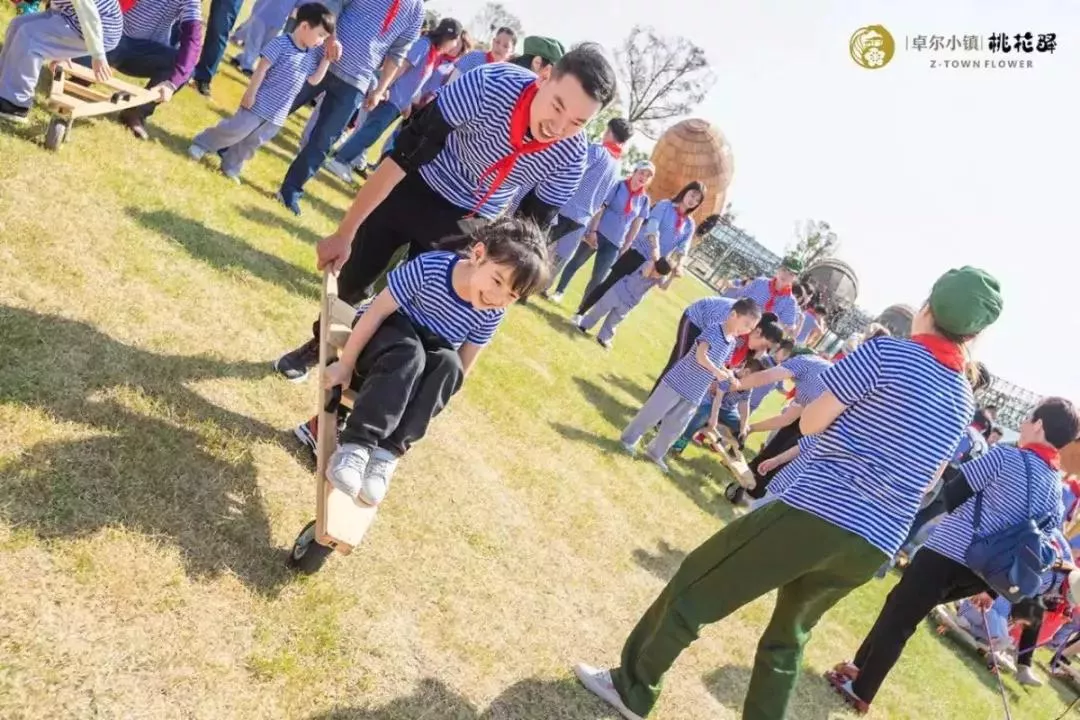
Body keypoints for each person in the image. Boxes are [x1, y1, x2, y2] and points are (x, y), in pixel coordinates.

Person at [572, 266, 1003, 720]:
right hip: (876, 541)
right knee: (786, 640)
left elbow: (812, 421)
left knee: (699, 581)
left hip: (823, 510)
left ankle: (633, 687)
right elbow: (931, 479)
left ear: (927, 308)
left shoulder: (886, 353)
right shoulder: (963, 396)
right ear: (973, 334)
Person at [273, 44, 617, 382]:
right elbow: (403, 156)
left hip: (472, 219)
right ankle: (320, 345)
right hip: (417, 182)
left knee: (420, 308)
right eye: (557, 106)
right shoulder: (488, 84)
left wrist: (498, 287)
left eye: (577, 122)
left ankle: (370, 384)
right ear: (545, 76)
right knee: (354, 279)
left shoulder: (571, 158)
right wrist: (345, 232)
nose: (558, 127)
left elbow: (529, 234)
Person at [827, 395, 1080, 714]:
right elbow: (1040, 543)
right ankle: (857, 668)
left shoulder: (1005, 456)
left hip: (949, 552)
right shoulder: (1056, 489)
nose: (1024, 422)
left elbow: (953, 494)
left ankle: (862, 690)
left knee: (900, 617)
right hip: (984, 573)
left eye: (1029, 417)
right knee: (899, 606)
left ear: (1039, 424)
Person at [316, 218, 549, 504]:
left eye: (512, 294)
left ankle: (385, 454)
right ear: (478, 255)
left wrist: (428, 398)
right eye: (497, 280)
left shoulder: (493, 312)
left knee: (449, 366)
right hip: (385, 337)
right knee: (409, 353)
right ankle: (355, 447)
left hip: (423, 357)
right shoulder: (432, 268)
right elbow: (376, 312)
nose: (497, 297)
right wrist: (345, 365)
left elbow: (462, 366)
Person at [274, 0, 425, 216]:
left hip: (357, 82)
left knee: (324, 141)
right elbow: (334, 4)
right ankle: (230, 146)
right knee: (278, 104)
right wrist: (331, 39)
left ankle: (290, 191)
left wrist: (380, 89)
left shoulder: (416, 10)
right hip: (321, 58)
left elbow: (397, 53)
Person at [188, 5, 337, 180]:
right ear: (304, 26)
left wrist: (326, 61)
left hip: (277, 114)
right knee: (235, 130)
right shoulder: (281, 43)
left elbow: (313, 80)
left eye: (325, 38)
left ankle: (231, 165)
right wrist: (250, 93)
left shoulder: (310, 56)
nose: (321, 41)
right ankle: (203, 144)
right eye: (321, 35)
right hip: (259, 103)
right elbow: (261, 70)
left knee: (252, 143)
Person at [619, 298, 761, 472]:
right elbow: (701, 356)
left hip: (695, 393)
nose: (747, 331)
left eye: (751, 328)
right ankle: (628, 440)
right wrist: (717, 372)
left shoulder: (731, 343)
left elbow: (721, 364)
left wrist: (729, 374)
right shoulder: (713, 330)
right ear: (733, 315)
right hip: (677, 383)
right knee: (652, 414)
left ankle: (655, 453)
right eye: (746, 324)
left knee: (675, 427)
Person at [323, 18, 465, 184]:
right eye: (455, 41)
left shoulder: (433, 53)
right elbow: (401, 67)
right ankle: (339, 161)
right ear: (448, 37)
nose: (454, 45)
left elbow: (416, 80)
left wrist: (407, 103)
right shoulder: (423, 45)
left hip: (398, 103)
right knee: (370, 132)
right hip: (390, 97)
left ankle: (342, 159)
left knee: (371, 133)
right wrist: (384, 88)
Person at [69, 0, 204, 139]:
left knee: (185, 68)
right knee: (86, 44)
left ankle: (136, 112)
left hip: (146, 52)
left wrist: (172, 84)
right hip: (111, 36)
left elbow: (193, 38)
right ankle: (78, 79)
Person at [573, 182, 704, 322]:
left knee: (628, 297)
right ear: (685, 192)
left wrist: (679, 264)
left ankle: (601, 328)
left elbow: (683, 247)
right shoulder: (665, 205)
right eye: (692, 195)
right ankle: (581, 313)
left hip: (653, 266)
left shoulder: (689, 225)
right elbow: (653, 226)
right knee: (609, 283)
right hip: (637, 253)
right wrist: (655, 249)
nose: (693, 201)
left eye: (697, 200)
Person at [726, 349, 834, 501]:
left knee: (784, 457)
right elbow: (786, 419)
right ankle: (750, 480)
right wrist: (750, 429)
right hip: (815, 419)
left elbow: (766, 376)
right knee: (778, 444)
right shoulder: (811, 379)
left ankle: (755, 489)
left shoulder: (803, 361)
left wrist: (732, 386)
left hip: (828, 427)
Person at [546, 160, 654, 305]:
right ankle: (559, 291)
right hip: (598, 233)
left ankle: (582, 309)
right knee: (576, 262)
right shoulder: (618, 185)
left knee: (599, 277)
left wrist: (627, 245)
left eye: (648, 176)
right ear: (634, 172)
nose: (644, 177)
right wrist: (593, 230)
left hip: (615, 243)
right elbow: (601, 208)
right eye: (642, 173)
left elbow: (636, 225)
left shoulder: (644, 201)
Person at [0, 0, 121, 123]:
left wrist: (98, 55)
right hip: (70, 16)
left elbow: (89, 15)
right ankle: (3, 86)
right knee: (18, 24)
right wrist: (61, 47)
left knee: (30, 36)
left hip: (100, 30)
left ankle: (15, 105)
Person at [650, 300, 784, 397]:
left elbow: (723, 359)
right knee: (680, 360)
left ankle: (670, 404)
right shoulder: (735, 323)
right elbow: (714, 340)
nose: (761, 351)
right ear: (758, 332)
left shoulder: (744, 332)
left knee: (694, 369)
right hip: (697, 319)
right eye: (764, 346)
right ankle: (655, 401)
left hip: (709, 330)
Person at [575, 257, 673, 350]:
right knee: (600, 308)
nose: (657, 276)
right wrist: (655, 266)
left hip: (631, 300)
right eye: (657, 272)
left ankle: (603, 338)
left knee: (615, 320)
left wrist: (672, 276)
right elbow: (646, 274)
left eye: (660, 275)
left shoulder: (661, 276)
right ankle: (584, 325)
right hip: (620, 290)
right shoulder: (648, 264)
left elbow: (664, 287)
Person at [728, 256, 803, 333]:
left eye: (791, 274)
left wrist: (773, 321)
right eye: (784, 270)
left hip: (760, 335)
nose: (785, 275)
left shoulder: (790, 302)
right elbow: (739, 296)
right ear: (778, 269)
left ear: (795, 278)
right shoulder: (760, 282)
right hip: (739, 326)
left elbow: (788, 328)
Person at [446, 25, 516, 82]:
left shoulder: (507, 76)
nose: (499, 47)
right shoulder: (473, 57)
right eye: (497, 42)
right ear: (493, 41)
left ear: (512, 51)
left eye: (505, 46)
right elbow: (451, 83)